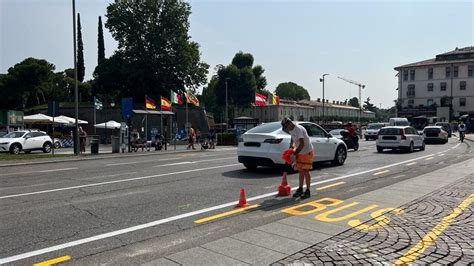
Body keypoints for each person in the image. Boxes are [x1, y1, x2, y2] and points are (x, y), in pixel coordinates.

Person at [281, 117, 314, 199]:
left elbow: (302, 144)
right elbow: (292, 138)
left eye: (286, 127)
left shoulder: (298, 129)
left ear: (289, 123)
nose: (286, 129)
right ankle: (300, 189)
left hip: (307, 151)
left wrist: (294, 154)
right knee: (300, 171)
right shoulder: (291, 129)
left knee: (305, 170)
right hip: (300, 152)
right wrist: (291, 147)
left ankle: (308, 190)